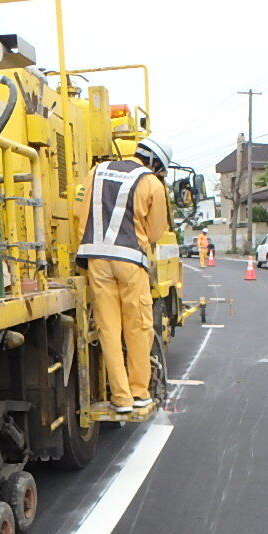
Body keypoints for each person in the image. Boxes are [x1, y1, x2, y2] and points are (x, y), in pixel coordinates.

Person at [76, 136, 172, 414]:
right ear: (155, 162)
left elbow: (78, 208)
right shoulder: (151, 182)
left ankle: (121, 398)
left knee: (108, 329)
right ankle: (139, 392)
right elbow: (155, 232)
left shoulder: (95, 172)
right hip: (130, 262)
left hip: (96, 259)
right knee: (138, 326)